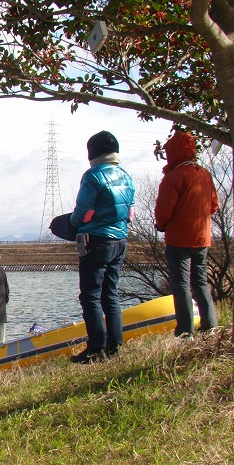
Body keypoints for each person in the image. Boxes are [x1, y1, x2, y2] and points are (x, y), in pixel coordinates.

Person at [69, 131, 136, 363]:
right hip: (120, 240)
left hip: (96, 240)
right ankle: (115, 345)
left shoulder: (93, 176)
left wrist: (71, 224)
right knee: (111, 293)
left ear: (92, 153)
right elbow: (130, 211)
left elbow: (83, 212)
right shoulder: (125, 175)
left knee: (91, 296)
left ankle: (96, 349)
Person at [155, 131, 219, 337]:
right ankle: (210, 326)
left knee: (181, 284)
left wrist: (161, 225)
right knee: (200, 282)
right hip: (202, 238)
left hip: (178, 239)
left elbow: (164, 211)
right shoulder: (204, 174)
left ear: (173, 152)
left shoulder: (174, 176)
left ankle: (185, 331)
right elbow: (214, 205)